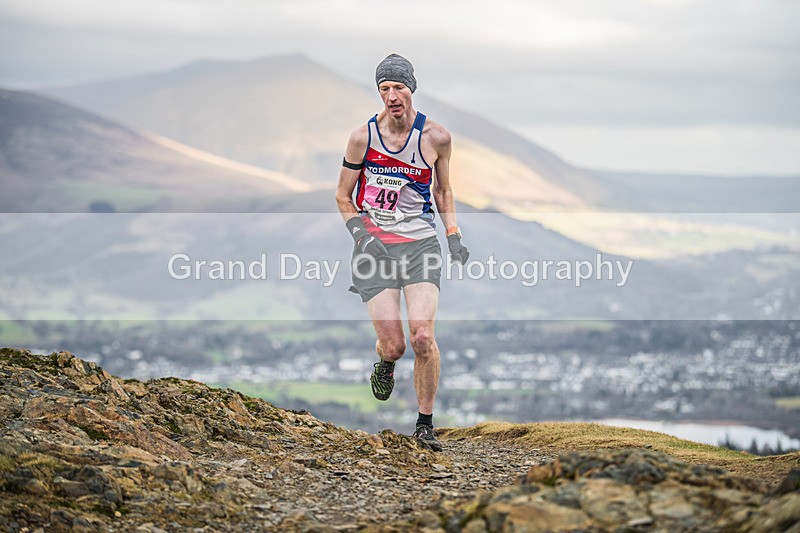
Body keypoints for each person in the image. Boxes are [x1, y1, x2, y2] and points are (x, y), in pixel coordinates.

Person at [335, 54, 469, 452]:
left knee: (423, 336)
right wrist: (361, 236)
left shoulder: (436, 138)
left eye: (398, 87)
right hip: (373, 248)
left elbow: (443, 190)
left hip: (420, 244)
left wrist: (453, 234)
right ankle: (386, 363)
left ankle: (424, 424)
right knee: (394, 345)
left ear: (411, 88)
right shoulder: (362, 138)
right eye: (384, 89)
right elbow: (342, 196)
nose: (392, 96)